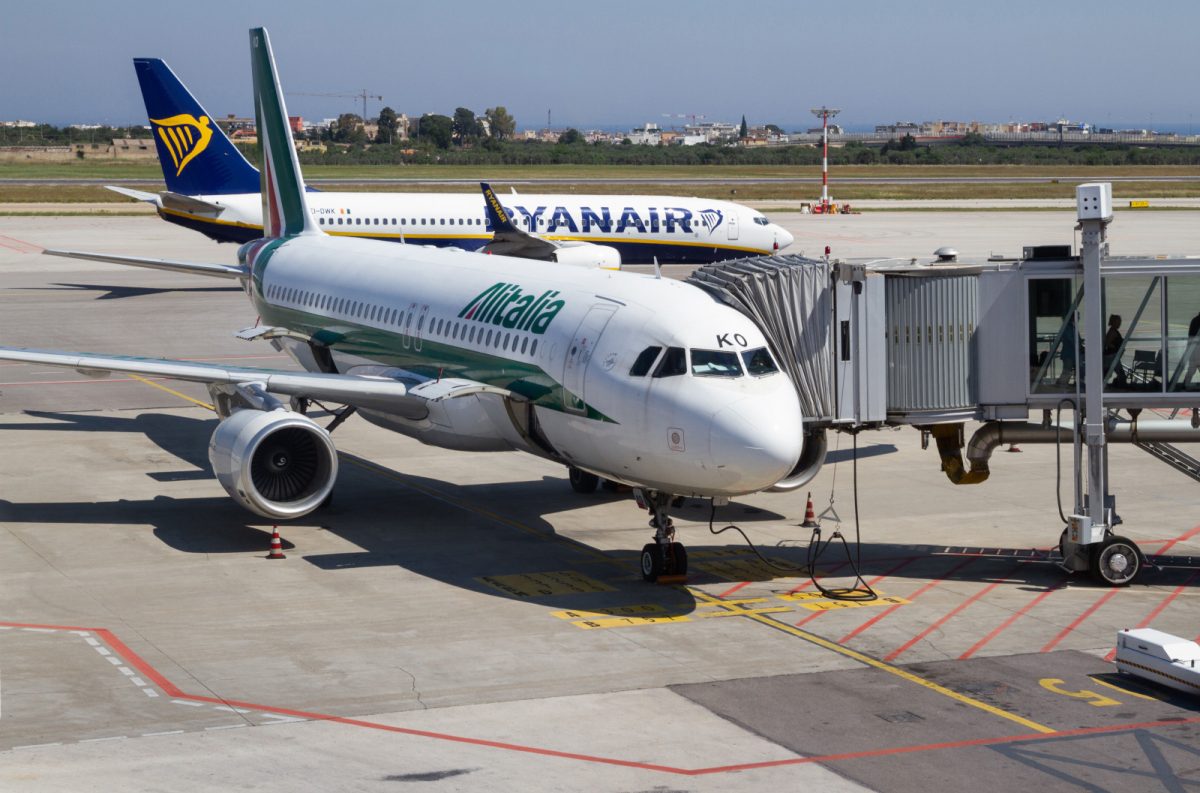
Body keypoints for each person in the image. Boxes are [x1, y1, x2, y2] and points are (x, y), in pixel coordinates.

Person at [1103, 314, 1125, 385]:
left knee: (1106, 373)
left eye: (1120, 322)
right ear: (1114, 322)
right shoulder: (1112, 332)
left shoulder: (1113, 331)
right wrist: (1115, 348)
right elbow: (1107, 343)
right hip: (1112, 357)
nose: (1120, 323)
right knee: (1120, 374)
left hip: (1113, 356)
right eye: (1118, 322)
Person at [1184, 310, 1200, 387]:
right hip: (1197, 349)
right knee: (1193, 368)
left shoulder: (1194, 320)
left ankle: (1185, 385)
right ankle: (1186, 384)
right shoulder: (1197, 321)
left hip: (1192, 348)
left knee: (1191, 369)